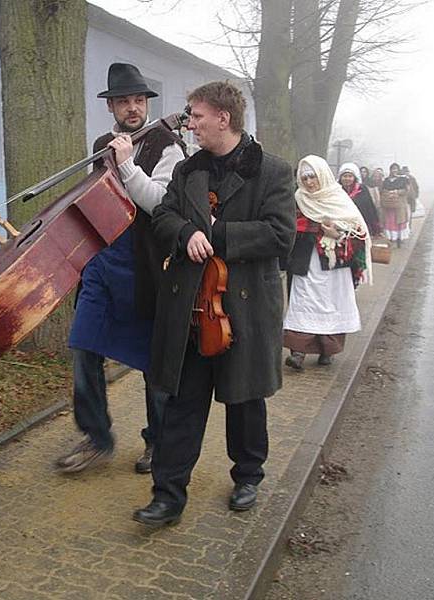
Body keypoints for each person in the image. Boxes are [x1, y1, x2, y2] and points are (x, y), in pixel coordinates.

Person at [132, 81, 295, 527]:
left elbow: (282, 235)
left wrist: (218, 235)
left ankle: (247, 475)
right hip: (191, 308)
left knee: (244, 401)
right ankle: (167, 495)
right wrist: (186, 233)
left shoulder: (274, 172)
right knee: (182, 403)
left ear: (224, 118)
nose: (190, 122)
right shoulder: (188, 171)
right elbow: (163, 214)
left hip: (243, 309)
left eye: (197, 115)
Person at [55, 63, 185, 475]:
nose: (132, 108)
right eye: (124, 101)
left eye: (138, 100)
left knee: (151, 360)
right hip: (102, 263)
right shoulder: (101, 143)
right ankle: (97, 437)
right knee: (84, 347)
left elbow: (160, 204)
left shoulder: (167, 144)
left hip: (145, 266)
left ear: (146, 103)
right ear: (111, 106)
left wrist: (129, 165)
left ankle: (159, 442)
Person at [283, 155, 372, 370]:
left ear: (322, 175)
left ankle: (327, 349)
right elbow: (288, 225)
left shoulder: (338, 198)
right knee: (303, 301)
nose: (309, 182)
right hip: (306, 262)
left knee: (331, 303)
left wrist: (338, 232)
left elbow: (358, 231)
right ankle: (299, 352)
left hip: (334, 265)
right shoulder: (298, 199)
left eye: (312, 176)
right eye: (304, 178)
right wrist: (316, 228)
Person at [338, 162, 381, 237]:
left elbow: (369, 208)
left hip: (360, 226)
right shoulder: (336, 190)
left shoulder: (362, 190)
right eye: (345, 176)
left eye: (350, 176)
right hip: (340, 226)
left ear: (354, 178)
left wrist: (375, 226)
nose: (347, 179)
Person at [381, 162, 411, 246]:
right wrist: (388, 193)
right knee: (390, 221)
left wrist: (397, 192)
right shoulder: (386, 180)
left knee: (399, 221)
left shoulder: (403, 179)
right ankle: (391, 237)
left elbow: (406, 190)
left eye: (396, 169)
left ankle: (399, 238)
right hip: (389, 205)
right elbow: (383, 190)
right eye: (392, 169)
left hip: (399, 204)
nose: (394, 170)